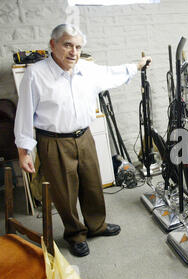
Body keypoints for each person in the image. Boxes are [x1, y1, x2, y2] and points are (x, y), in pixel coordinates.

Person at [14, 24, 151, 257]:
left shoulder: (87, 69)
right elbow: (25, 113)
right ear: (52, 45)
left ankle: (96, 226)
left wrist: (137, 66)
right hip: (54, 141)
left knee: (92, 184)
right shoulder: (36, 74)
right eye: (67, 45)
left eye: (78, 47)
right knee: (65, 192)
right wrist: (24, 151)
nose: (73, 52)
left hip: (84, 137)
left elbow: (112, 73)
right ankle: (75, 234)